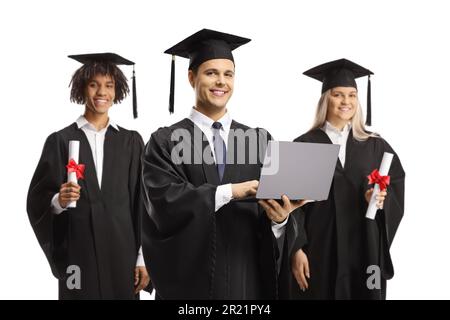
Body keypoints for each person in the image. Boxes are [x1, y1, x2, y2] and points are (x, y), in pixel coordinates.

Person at [141, 29, 304, 299]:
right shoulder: (165, 141)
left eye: (228, 74)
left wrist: (280, 219)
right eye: (211, 73)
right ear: (191, 77)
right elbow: (163, 203)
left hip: (246, 284)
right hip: (190, 287)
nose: (221, 82)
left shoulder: (260, 140)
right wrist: (230, 192)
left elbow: (273, 221)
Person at [27, 53, 149, 299]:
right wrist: (58, 201)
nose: (101, 92)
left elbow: (144, 204)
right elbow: (37, 201)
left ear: (117, 91)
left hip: (122, 255)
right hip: (77, 257)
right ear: (82, 88)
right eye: (93, 84)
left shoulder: (131, 142)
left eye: (109, 85)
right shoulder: (60, 141)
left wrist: (142, 258)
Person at [290, 58, 405, 300]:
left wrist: (377, 199)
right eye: (338, 94)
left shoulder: (375, 144)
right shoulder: (304, 144)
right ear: (325, 100)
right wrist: (296, 248)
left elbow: (395, 187)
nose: (346, 102)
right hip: (320, 249)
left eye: (352, 95)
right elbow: (290, 206)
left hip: (365, 249)